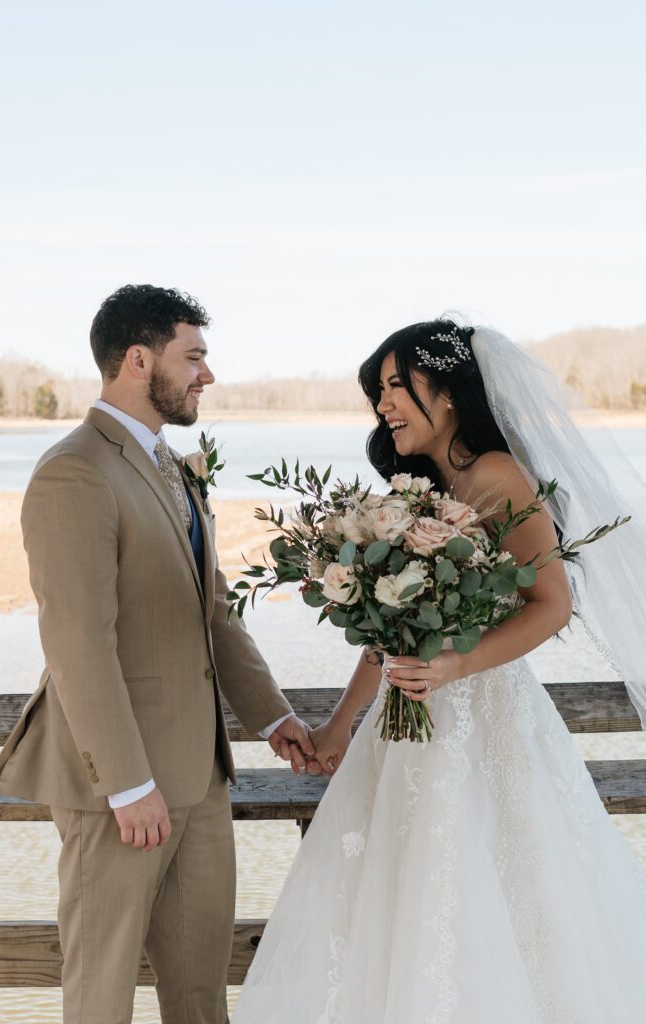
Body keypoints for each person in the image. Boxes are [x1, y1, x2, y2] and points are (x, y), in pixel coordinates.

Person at [232, 319, 646, 1023]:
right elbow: (389, 632)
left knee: (489, 894)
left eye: (397, 386)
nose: (384, 404)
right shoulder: (418, 487)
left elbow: (550, 604)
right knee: (390, 898)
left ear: (448, 392)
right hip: (404, 730)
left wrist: (455, 665)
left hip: (486, 722)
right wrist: (337, 725)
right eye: (379, 392)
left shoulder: (497, 474)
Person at [0, 284, 315, 1024]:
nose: (208, 374)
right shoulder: (75, 471)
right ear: (138, 360)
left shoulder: (174, 465)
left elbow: (215, 615)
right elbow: (77, 642)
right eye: (193, 356)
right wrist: (128, 784)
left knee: (200, 995)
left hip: (199, 777)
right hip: (120, 789)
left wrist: (272, 719)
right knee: (101, 994)